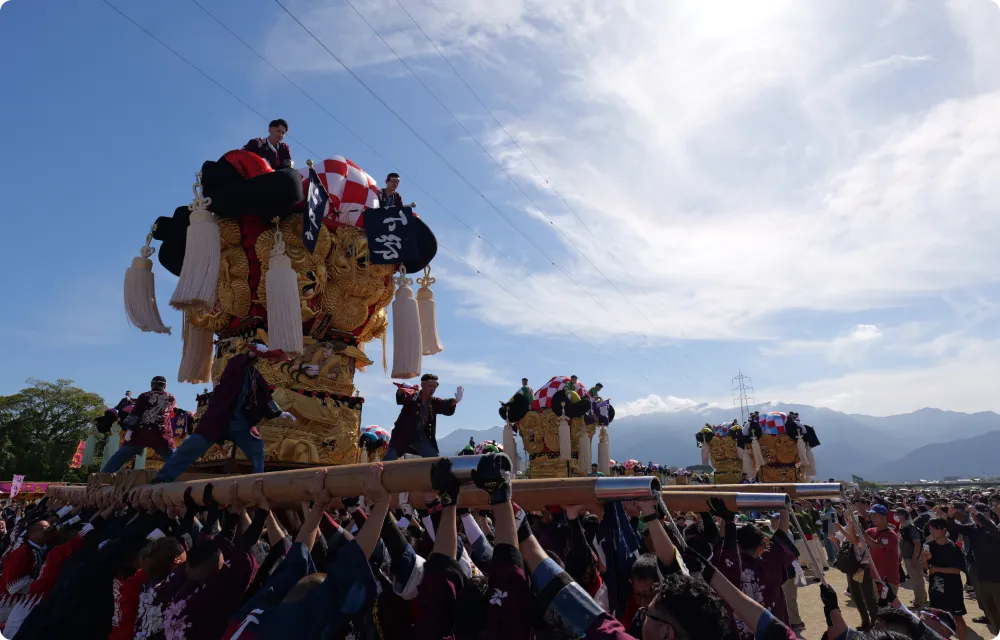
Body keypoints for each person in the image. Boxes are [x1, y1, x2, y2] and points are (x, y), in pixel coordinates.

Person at [154, 343, 295, 482]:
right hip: (218, 418)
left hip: (241, 422)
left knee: (257, 448)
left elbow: (266, 396)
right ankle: (163, 478)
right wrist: (252, 353)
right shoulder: (234, 364)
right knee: (190, 447)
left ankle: (258, 481)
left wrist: (279, 412)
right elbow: (240, 361)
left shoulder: (255, 375)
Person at [102, 376, 177, 472]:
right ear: (165, 386)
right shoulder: (171, 398)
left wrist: (129, 429)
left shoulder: (144, 396)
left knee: (119, 457)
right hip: (161, 433)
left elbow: (136, 413)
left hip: (141, 432)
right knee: (175, 460)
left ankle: (103, 477)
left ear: (151, 385)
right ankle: (184, 477)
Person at [384, 373, 462, 461]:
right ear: (423, 385)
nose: (433, 389)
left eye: (435, 386)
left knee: (434, 458)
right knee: (389, 458)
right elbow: (403, 396)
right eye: (430, 386)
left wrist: (455, 401)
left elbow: (445, 403)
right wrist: (402, 391)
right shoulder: (414, 396)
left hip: (421, 437)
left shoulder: (434, 402)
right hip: (403, 434)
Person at [924, 516, 969, 640]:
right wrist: (925, 559)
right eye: (930, 529)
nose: (932, 531)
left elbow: (956, 570)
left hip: (952, 586)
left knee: (957, 616)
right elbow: (927, 567)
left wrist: (937, 569)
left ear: (944, 530)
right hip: (936, 586)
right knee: (936, 616)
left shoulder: (953, 548)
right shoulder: (929, 545)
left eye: (934, 529)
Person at [0, 518, 50, 595]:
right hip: (10, 598)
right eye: (45, 528)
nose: (48, 531)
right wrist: (39, 586)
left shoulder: (47, 549)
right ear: (33, 532)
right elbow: (13, 585)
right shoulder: (23, 551)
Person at [896, 506, 928, 609]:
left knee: (916, 579)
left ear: (903, 516)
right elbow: (902, 543)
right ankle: (922, 598)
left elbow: (917, 544)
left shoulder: (911, 528)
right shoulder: (903, 527)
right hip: (907, 557)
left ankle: (919, 601)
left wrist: (914, 558)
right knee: (916, 578)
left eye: (897, 514)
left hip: (913, 558)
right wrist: (900, 555)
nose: (895, 516)